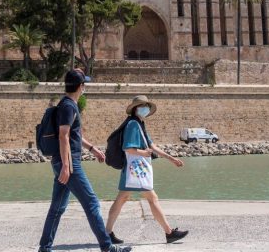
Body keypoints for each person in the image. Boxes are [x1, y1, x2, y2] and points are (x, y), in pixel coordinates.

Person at [39, 69, 132, 252]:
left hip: (62, 161)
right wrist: (67, 166)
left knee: (57, 208)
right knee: (91, 203)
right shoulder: (69, 106)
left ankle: (44, 247)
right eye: (84, 84)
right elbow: (63, 136)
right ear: (80, 86)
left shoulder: (66, 104)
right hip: (69, 163)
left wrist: (92, 149)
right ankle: (107, 247)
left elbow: (73, 135)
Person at [105, 95, 189, 245]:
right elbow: (128, 148)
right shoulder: (132, 124)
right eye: (143, 106)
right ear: (136, 108)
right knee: (150, 198)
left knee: (122, 199)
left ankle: (106, 233)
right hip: (135, 169)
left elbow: (152, 145)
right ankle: (169, 233)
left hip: (132, 170)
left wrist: (171, 158)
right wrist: (142, 153)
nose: (146, 108)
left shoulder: (139, 124)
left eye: (147, 106)